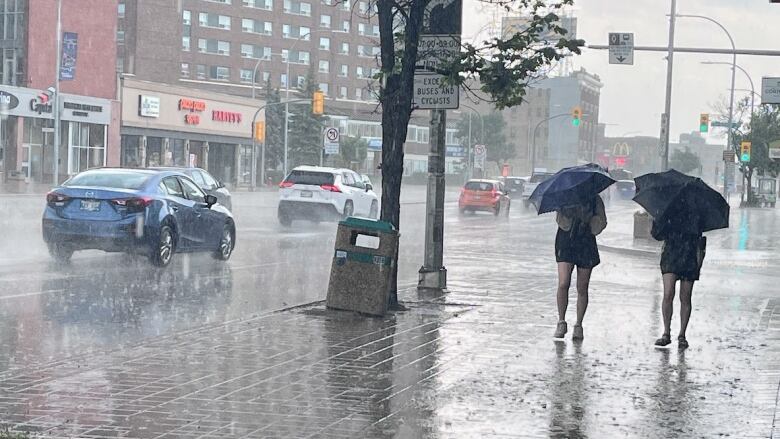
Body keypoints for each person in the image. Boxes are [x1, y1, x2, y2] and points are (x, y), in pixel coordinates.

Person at [553, 194, 607, 340]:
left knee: (582, 287)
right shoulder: (566, 196)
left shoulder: (595, 199)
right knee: (563, 282)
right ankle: (561, 321)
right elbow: (560, 219)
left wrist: (589, 220)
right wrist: (570, 215)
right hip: (566, 241)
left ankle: (578, 324)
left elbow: (601, 222)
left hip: (586, 242)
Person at [651, 213, 706, 349]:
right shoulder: (666, 210)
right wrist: (657, 221)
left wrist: (699, 260)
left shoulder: (695, 211)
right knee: (668, 293)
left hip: (689, 255)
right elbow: (657, 235)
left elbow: (700, 238)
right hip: (670, 254)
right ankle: (666, 332)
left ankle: (682, 335)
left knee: (685, 297)